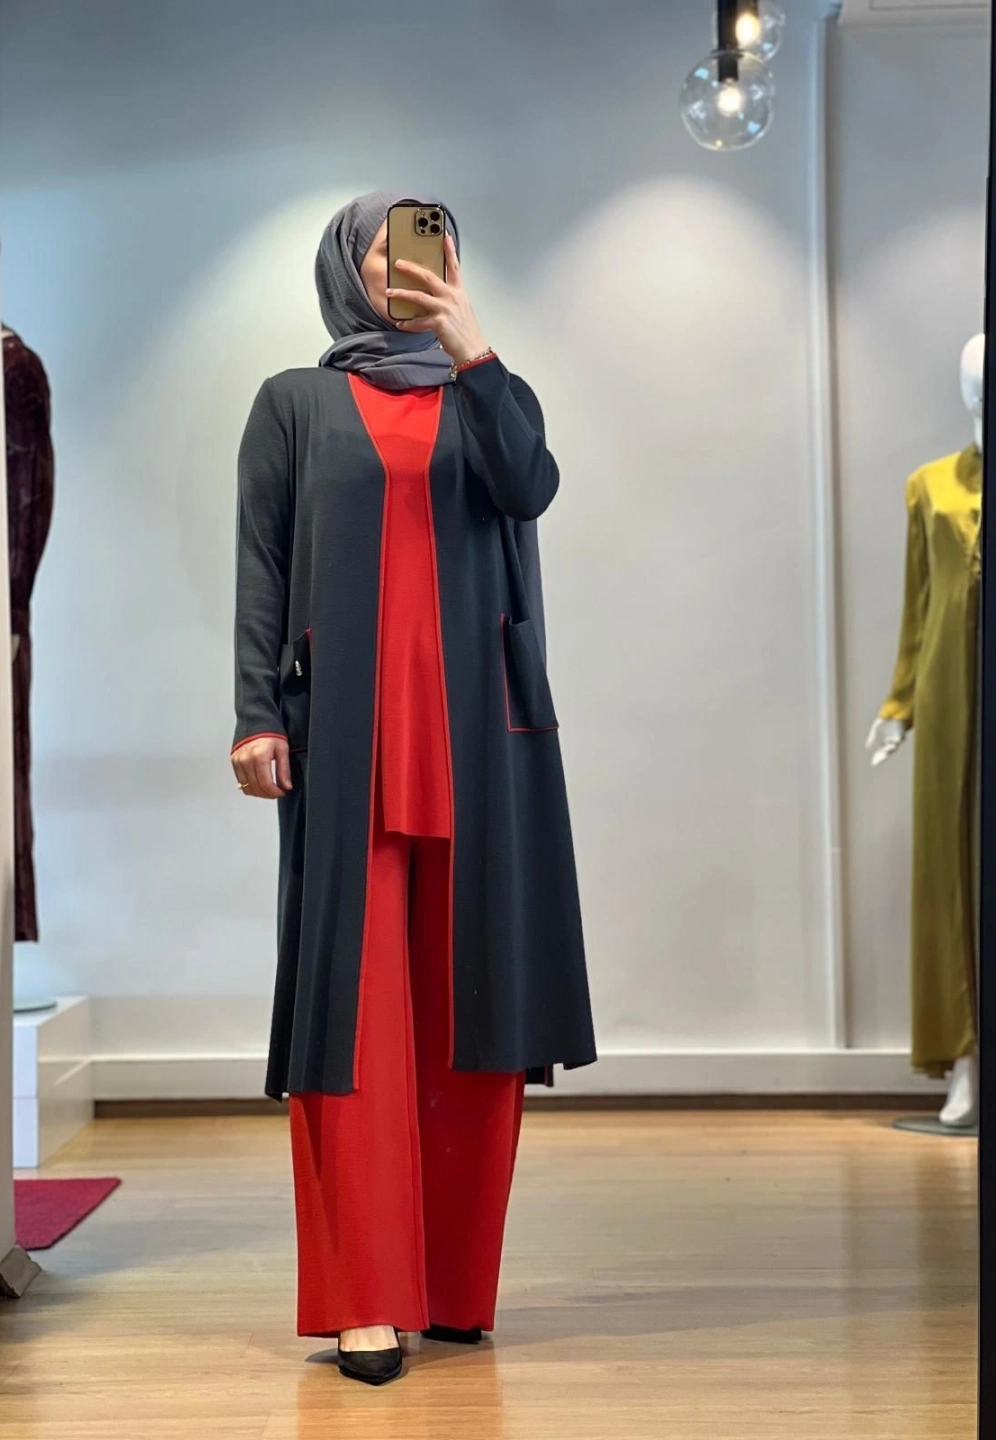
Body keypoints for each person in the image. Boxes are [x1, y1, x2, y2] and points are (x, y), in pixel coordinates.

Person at [231, 189, 596, 1385]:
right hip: (343, 742)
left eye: (431, 250)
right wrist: (252, 713)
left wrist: (471, 346)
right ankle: (364, 1301)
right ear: (350, 266)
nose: (411, 270)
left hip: (481, 740)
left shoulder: (491, 392)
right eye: (389, 253)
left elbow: (529, 485)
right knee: (352, 1019)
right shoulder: (294, 403)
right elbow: (263, 563)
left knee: (476, 1012)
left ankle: (450, 1288)